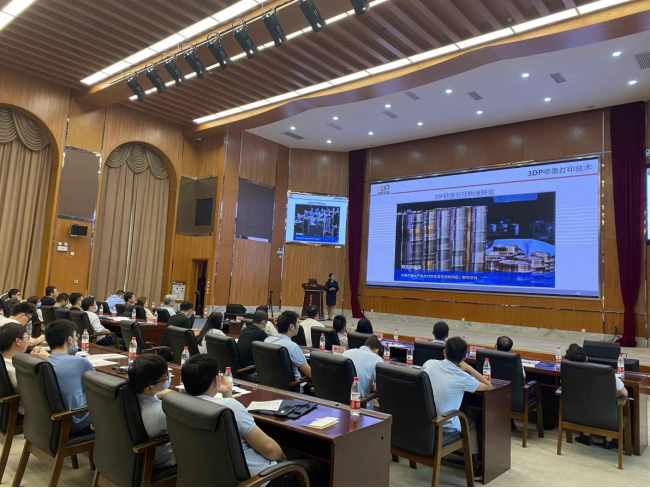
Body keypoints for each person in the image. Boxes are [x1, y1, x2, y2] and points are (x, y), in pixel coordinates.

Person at [182, 355, 327, 486]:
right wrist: (284, 461)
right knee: (318, 467)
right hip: (259, 480)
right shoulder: (230, 407)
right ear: (215, 381)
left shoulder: (182, 404)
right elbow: (271, 451)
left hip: (213, 477)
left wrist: (227, 393)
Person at [422, 336, 491, 478]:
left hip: (425, 419)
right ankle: (473, 465)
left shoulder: (429, 364)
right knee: (470, 424)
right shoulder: (462, 377)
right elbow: (488, 385)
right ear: (464, 357)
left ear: (444, 352)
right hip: (444, 424)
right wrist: (468, 367)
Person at [565, 343, 627, 449]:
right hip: (605, 416)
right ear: (586, 358)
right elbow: (624, 393)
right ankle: (608, 440)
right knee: (619, 403)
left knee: (583, 401)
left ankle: (586, 436)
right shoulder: (605, 373)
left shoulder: (566, 372)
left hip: (577, 415)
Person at [45, 320, 94, 434]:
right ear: (70, 340)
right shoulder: (80, 362)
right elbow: (98, 385)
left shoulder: (44, 362)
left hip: (50, 421)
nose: (77, 339)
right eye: (75, 336)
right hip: (75, 419)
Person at [128, 354, 175, 468]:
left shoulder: (126, 397)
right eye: (165, 378)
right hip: (154, 462)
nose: (168, 379)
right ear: (150, 388)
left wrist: (159, 394)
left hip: (126, 458)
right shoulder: (161, 412)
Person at [0, 323, 49, 415]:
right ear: (18, 341)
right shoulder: (18, 370)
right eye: (27, 337)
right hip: (31, 412)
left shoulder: (4, 363)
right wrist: (49, 358)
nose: (28, 340)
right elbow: (44, 390)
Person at [264, 311, 311, 381]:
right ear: (291, 326)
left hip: (271, 383)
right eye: (298, 323)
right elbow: (310, 373)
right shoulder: (292, 346)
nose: (299, 326)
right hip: (295, 386)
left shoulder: (267, 340)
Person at [343, 336, 382, 408]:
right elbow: (379, 388)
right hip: (359, 405)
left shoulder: (346, 352)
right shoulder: (377, 359)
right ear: (376, 351)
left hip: (340, 403)